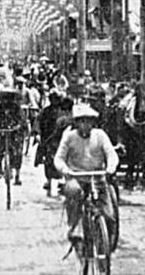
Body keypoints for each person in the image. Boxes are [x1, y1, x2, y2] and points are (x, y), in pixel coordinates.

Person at [53, 103, 120, 246]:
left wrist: (110, 167)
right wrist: (66, 170)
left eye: (89, 121)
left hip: (97, 177)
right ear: (76, 123)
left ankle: (106, 240)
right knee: (74, 192)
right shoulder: (69, 137)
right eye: (82, 121)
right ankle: (74, 227)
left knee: (109, 214)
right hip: (76, 178)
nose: (86, 124)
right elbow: (58, 159)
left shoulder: (100, 135)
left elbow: (111, 154)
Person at [0, 87, 27, 185]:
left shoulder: (17, 108)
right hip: (1, 131)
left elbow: (22, 120)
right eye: (5, 98)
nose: (7, 100)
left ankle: (17, 175)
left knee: (18, 151)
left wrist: (18, 126)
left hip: (15, 133)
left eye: (9, 98)